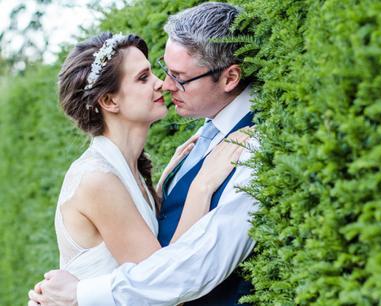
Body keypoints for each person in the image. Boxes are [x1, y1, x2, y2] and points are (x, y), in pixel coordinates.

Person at [29, 2, 258, 305]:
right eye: (143, 77)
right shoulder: (98, 180)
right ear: (110, 101)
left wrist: (160, 190)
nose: (162, 83)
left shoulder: (133, 170)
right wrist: (200, 187)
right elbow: (164, 280)